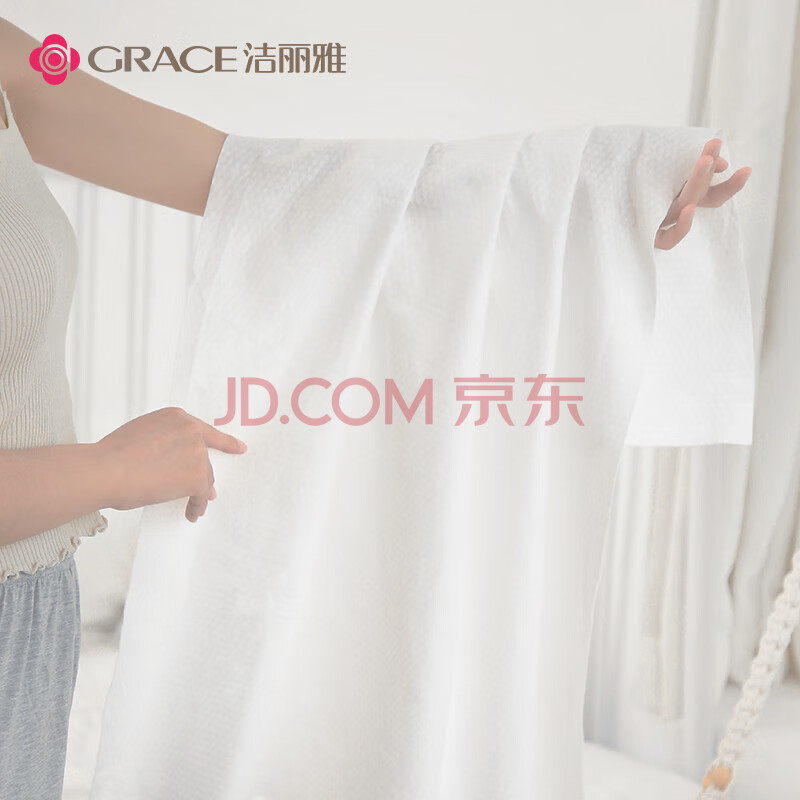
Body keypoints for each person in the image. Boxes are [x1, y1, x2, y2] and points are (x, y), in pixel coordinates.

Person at [0, 14, 751, 800]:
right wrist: (106, 471)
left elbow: (254, 177)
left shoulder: (14, 55)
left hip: (36, 603)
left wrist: (608, 184)